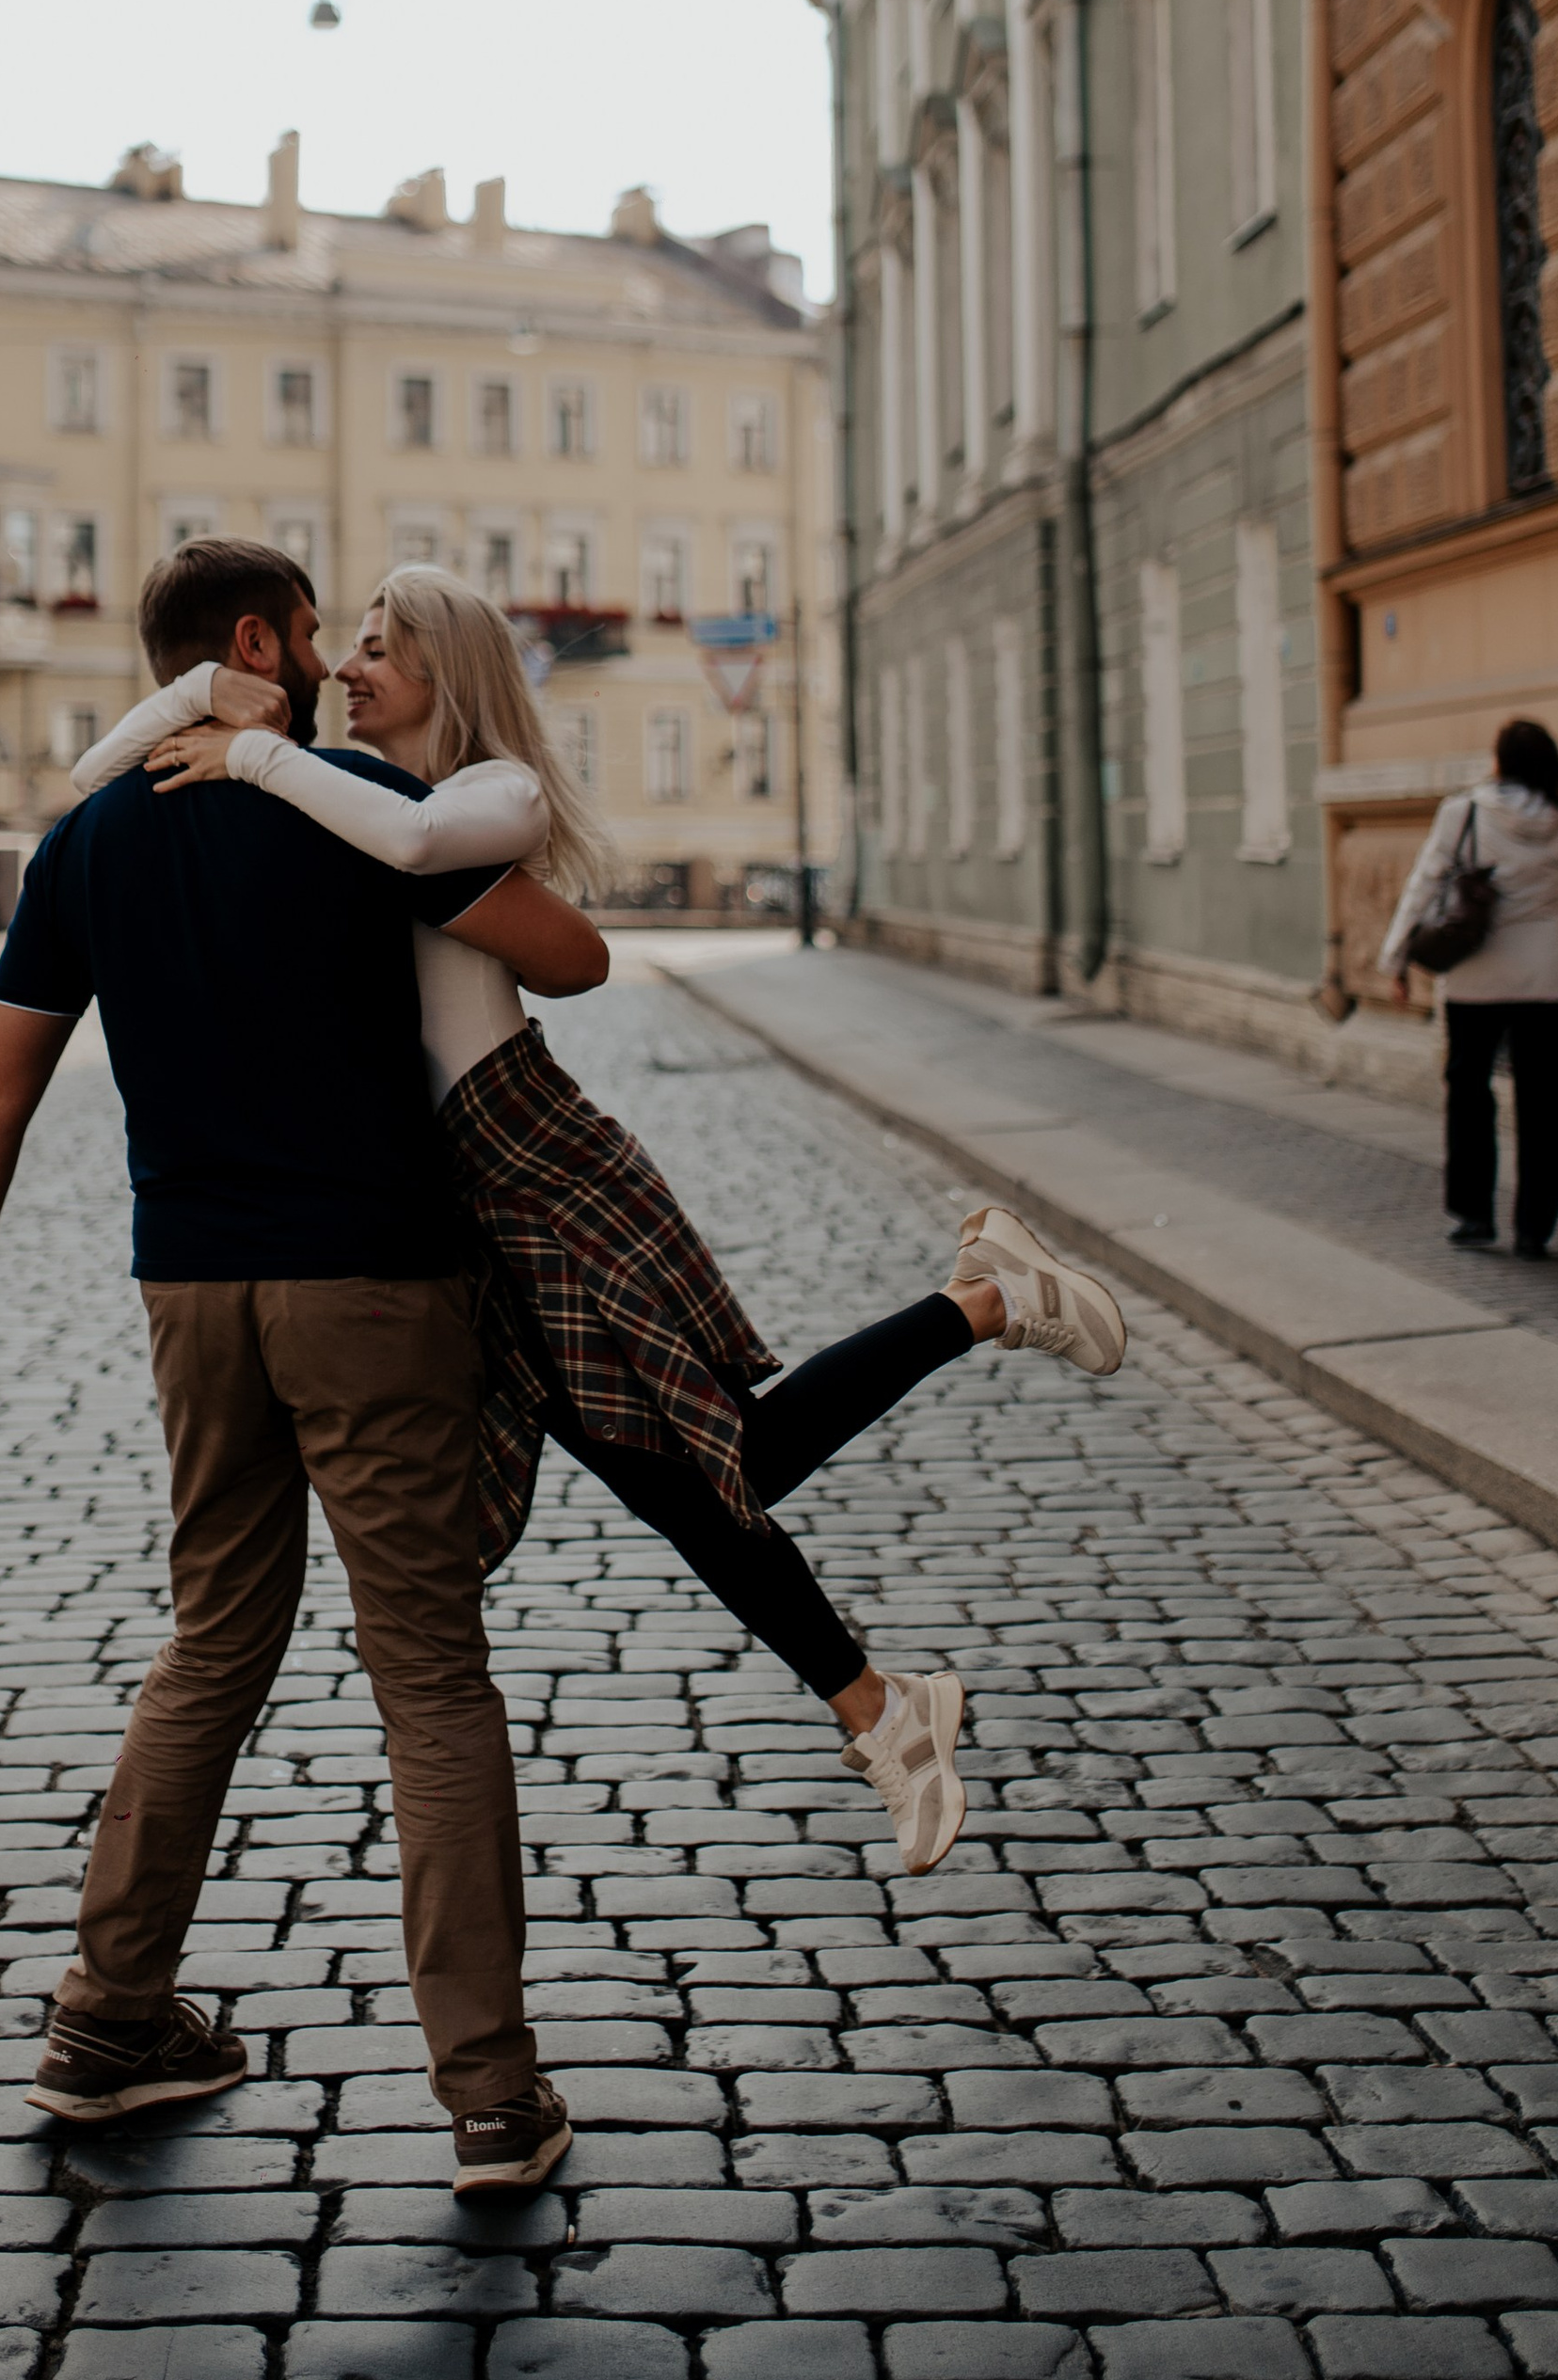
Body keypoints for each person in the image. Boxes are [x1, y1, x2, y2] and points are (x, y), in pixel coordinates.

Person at [73, 559, 1133, 1881]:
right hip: (451, 1199)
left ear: (446, 674)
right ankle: (883, 1705)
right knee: (684, 1475)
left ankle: (984, 1304)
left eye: (377, 647)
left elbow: (422, 854)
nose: (345, 666)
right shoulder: (346, 796)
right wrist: (203, 706)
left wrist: (248, 759)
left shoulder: (478, 794)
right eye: (339, 643)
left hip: (534, 1159)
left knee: (720, 1457)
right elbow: (88, 785)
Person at [0, 537, 599, 2200]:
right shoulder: (344, 797)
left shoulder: (87, 842)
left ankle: (107, 2021)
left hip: (193, 1294)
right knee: (427, 1671)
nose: (334, 661)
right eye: (314, 631)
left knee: (214, 1640)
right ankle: (492, 2096)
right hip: (376, 1283)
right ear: (252, 641)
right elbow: (566, 954)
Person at [1380, 715, 1558, 1259]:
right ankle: (1534, 1227)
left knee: (1470, 1093)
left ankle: (1474, 1214)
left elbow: (1425, 884)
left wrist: (1395, 958)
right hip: (1552, 976)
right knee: (1547, 1103)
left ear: (1500, 761)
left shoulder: (1465, 812)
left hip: (1476, 977)